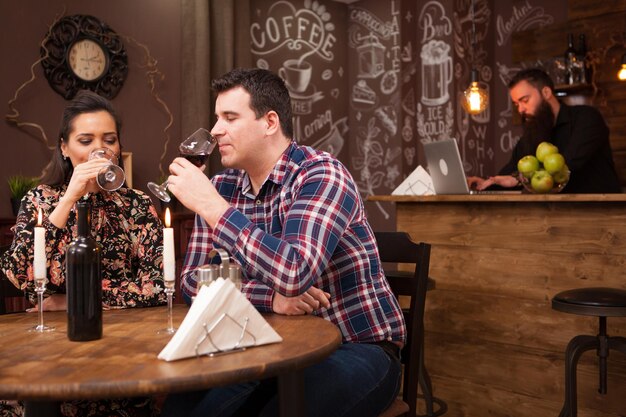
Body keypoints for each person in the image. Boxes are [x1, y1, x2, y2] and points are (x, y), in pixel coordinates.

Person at [161, 68, 405, 417]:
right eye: (217, 118)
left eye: (230, 117)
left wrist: (214, 208)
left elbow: (295, 271)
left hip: (356, 346)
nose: (215, 131)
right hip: (266, 346)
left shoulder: (320, 174)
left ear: (270, 122)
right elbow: (192, 281)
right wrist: (271, 298)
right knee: (180, 407)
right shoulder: (223, 185)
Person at [0, 90, 165, 417]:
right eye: (86, 140)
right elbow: (18, 277)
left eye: (110, 140)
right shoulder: (39, 201)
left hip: (123, 350)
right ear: (64, 147)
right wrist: (68, 200)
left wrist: (74, 301)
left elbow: (159, 288)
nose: (99, 150)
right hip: (49, 353)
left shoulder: (137, 206)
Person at [468, 67, 621, 193]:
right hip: (552, 217)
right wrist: (486, 183)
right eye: (516, 104)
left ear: (546, 93)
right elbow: (509, 172)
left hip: (601, 213)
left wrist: (517, 178)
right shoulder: (532, 134)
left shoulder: (586, 118)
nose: (520, 109)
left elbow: (563, 168)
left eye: (525, 100)